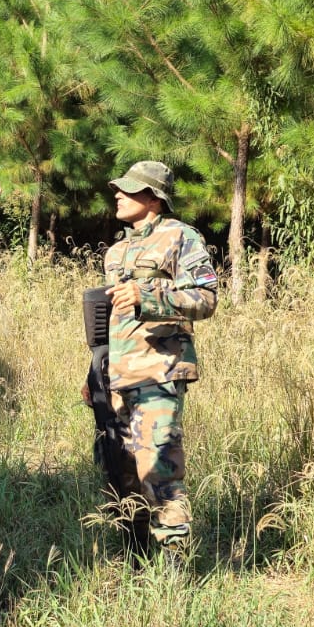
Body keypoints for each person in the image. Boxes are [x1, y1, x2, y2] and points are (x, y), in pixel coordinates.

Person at [84, 160, 217, 559]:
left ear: (154, 198)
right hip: (118, 377)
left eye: (128, 190)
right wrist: (95, 373)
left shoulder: (180, 237)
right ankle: (137, 559)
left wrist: (148, 296)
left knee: (158, 471)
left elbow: (206, 299)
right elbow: (110, 322)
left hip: (159, 372)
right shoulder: (117, 251)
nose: (118, 195)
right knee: (121, 474)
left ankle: (173, 566)